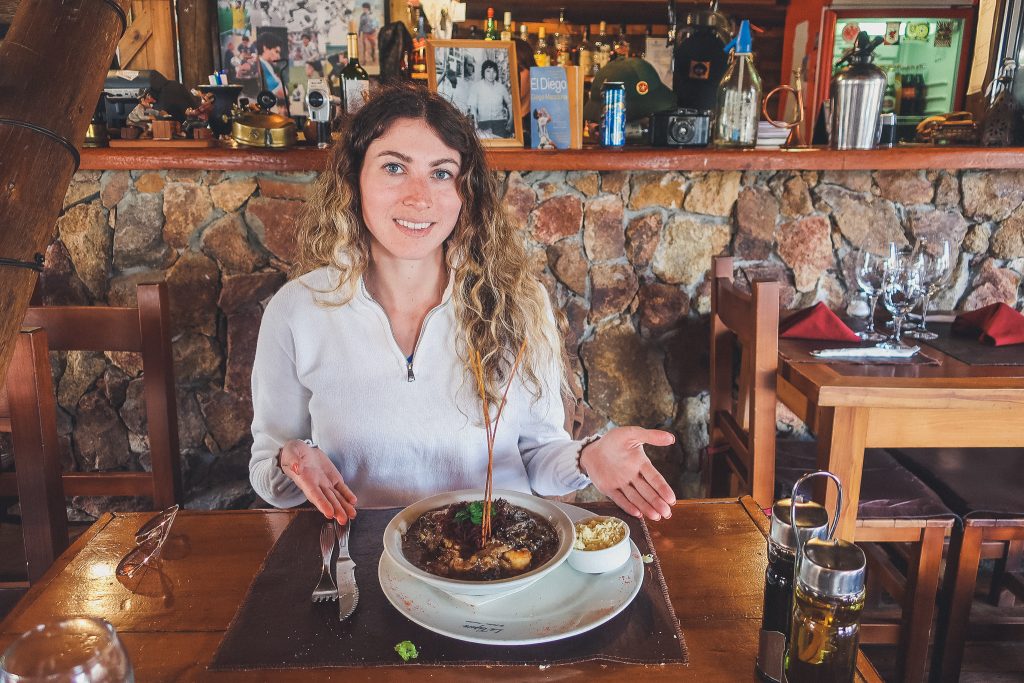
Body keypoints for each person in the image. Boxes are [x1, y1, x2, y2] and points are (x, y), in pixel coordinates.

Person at [249, 84, 677, 524]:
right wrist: (291, 458)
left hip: (500, 563)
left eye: (441, 173)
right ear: (353, 180)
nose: (419, 197)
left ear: (465, 192)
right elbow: (270, 474)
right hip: (364, 562)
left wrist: (587, 459)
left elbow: (538, 458)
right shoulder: (297, 311)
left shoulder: (518, 303)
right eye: (394, 167)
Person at [466, 59, 512, 137]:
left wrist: (511, 120)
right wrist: (475, 125)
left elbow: (510, 104)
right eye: (488, 71)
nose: (491, 74)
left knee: (500, 147)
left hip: (499, 124)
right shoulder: (476, 87)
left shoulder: (501, 88)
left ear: (496, 73)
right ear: (483, 72)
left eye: (494, 71)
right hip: (483, 124)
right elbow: (472, 106)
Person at [255, 32, 287, 112]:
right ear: (265, 48)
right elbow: (283, 92)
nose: (278, 56)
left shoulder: (267, 65)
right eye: (276, 51)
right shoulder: (262, 65)